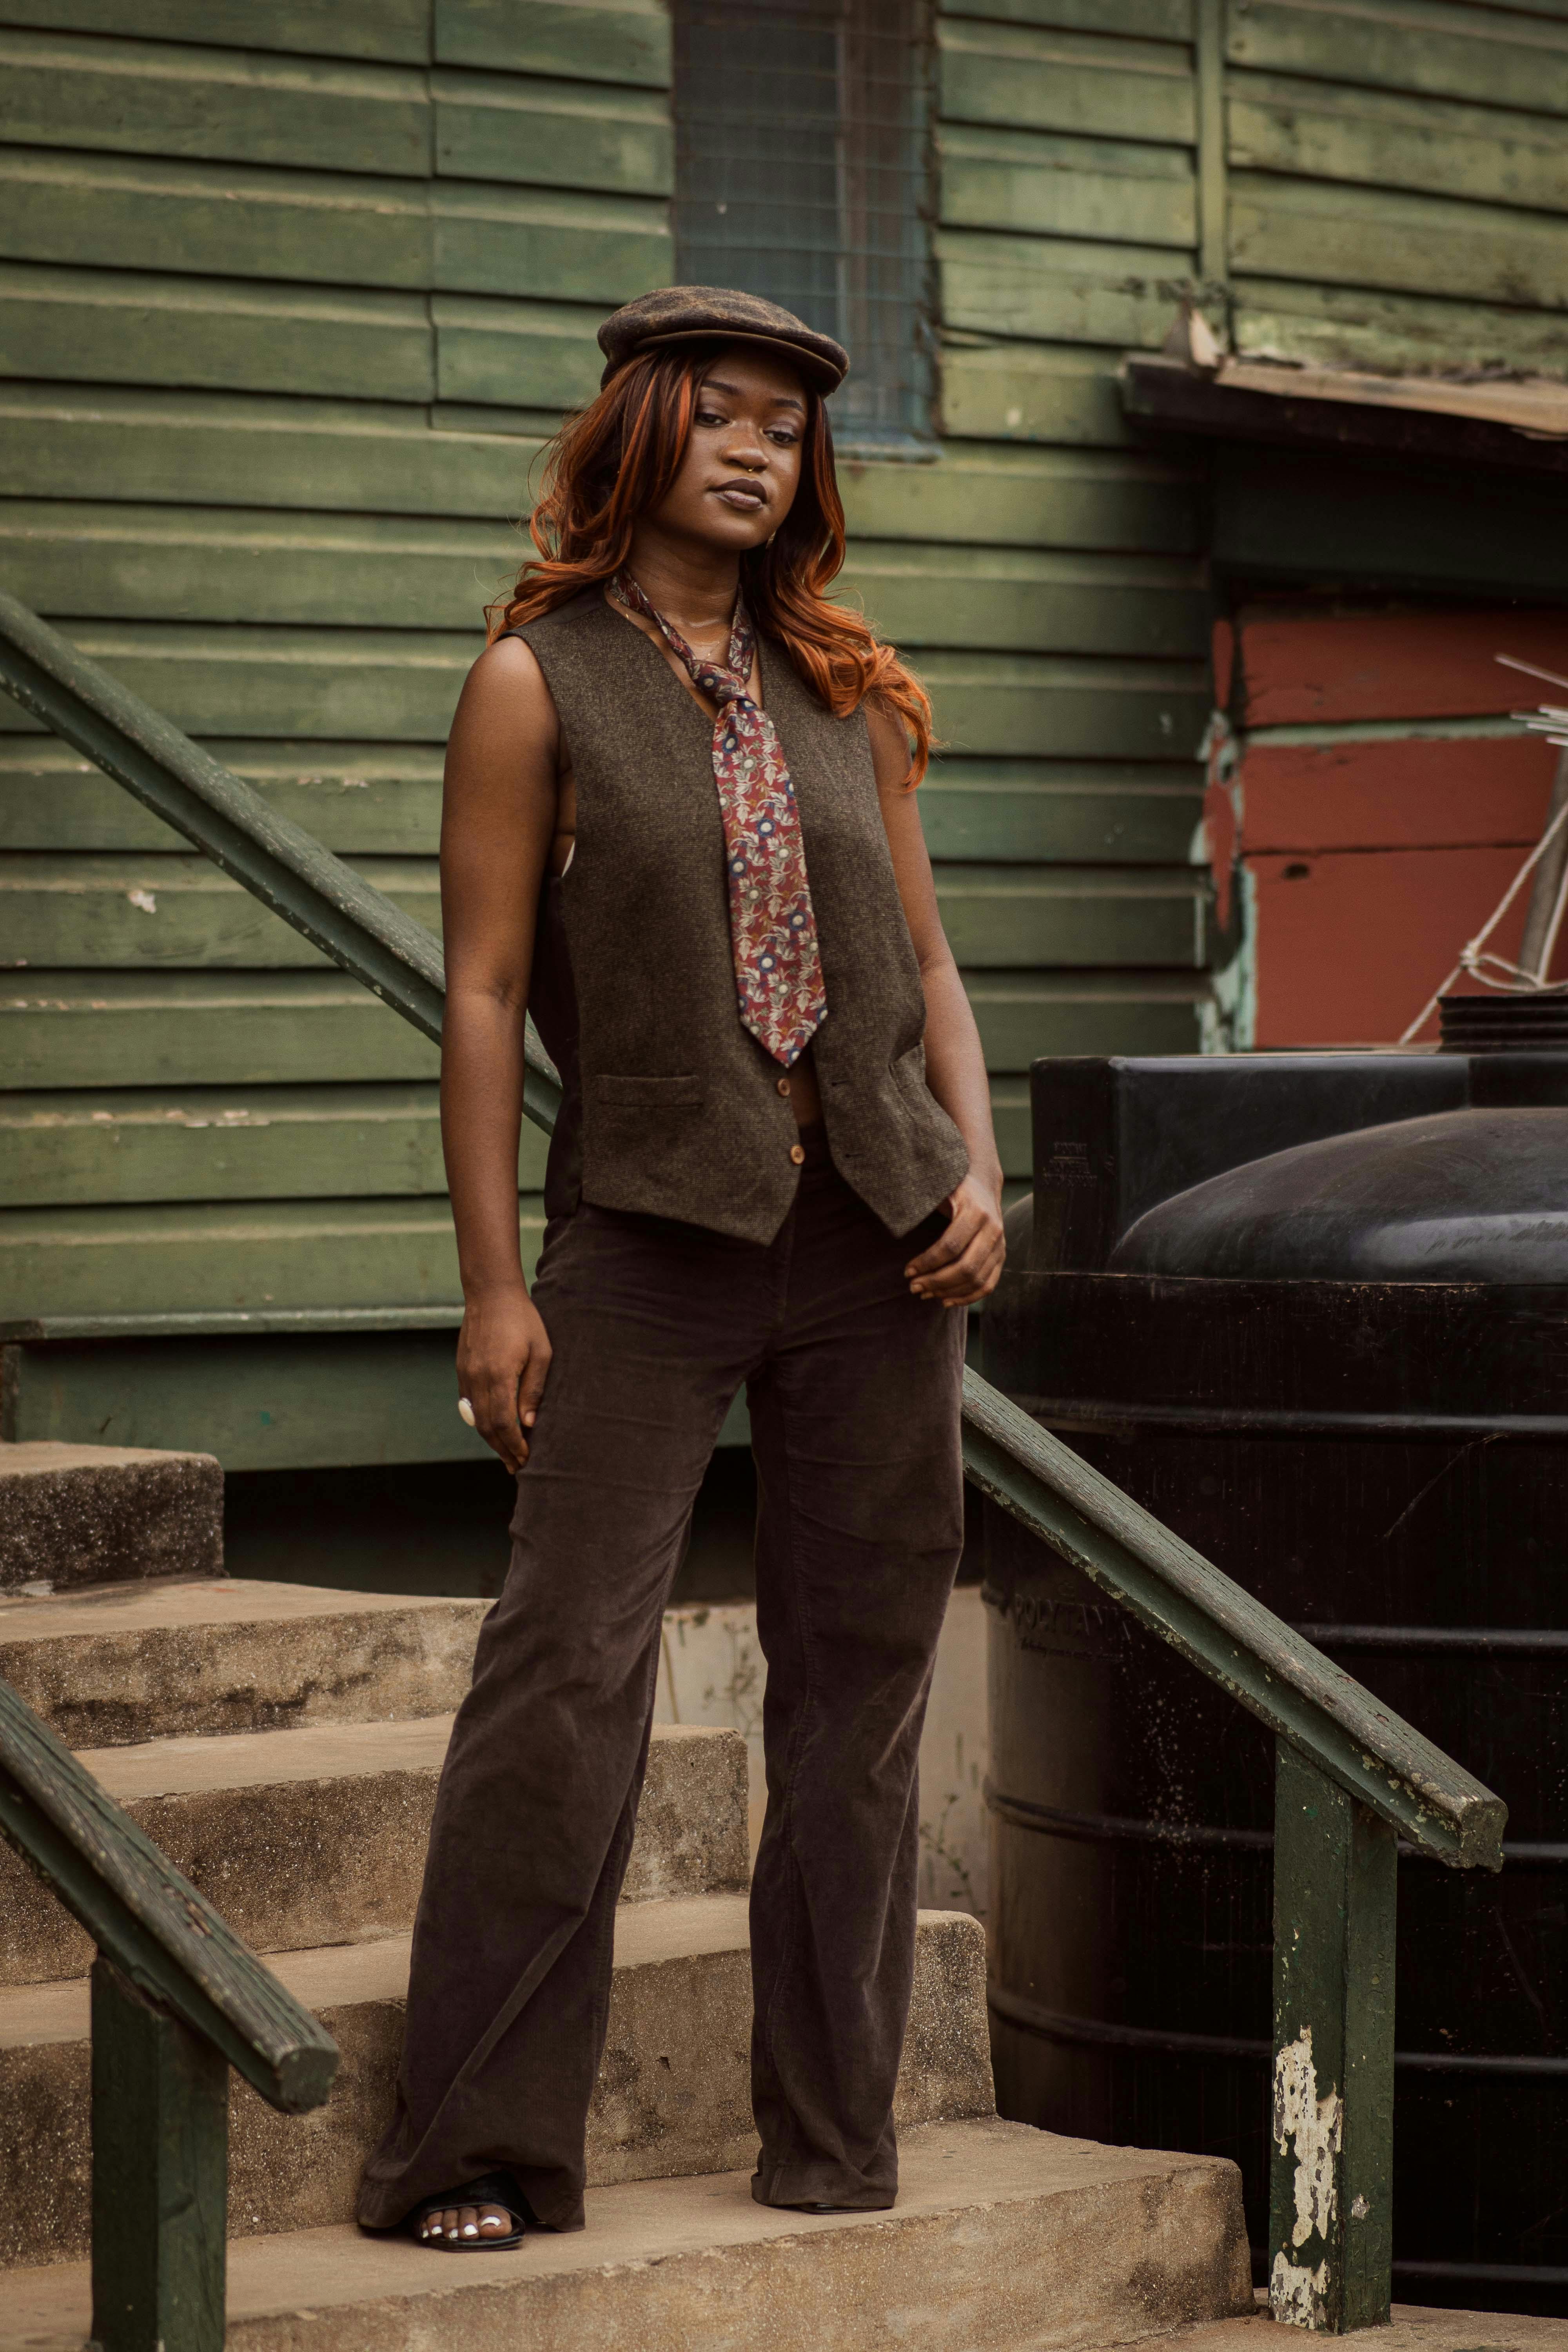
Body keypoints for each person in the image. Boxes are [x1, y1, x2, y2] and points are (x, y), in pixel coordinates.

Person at [356, 286, 1006, 2251]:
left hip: (878, 1249)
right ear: (641, 431)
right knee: (564, 1675)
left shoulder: (848, 686)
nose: (753, 449)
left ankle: (833, 2138)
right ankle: (470, 2151)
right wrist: (494, 1286)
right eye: (717, 415)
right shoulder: (535, 682)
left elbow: (933, 967)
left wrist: (982, 1171)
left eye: (787, 429)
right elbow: (477, 996)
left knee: (861, 1695)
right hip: (643, 1241)